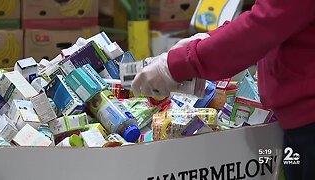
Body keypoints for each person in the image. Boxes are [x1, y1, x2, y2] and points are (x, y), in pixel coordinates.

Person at [131, 0, 315, 179]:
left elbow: (263, 25)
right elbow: (271, 17)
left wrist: (178, 64)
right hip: (298, 120)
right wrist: (208, 40)